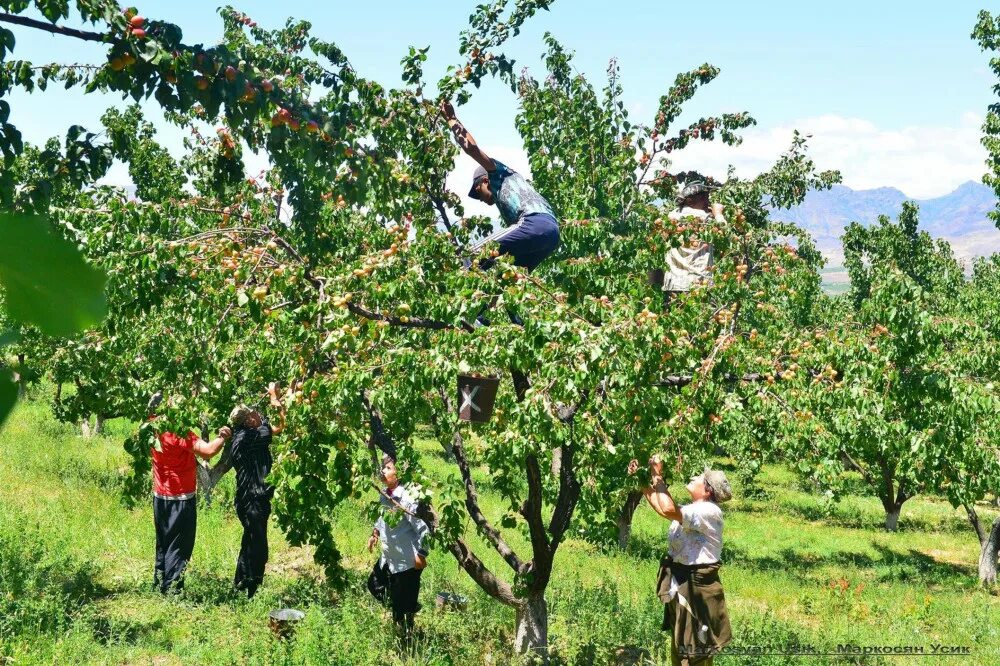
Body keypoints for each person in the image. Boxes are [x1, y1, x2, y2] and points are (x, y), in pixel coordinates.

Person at [628, 455, 733, 666]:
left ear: (707, 490)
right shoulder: (694, 509)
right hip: (683, 583)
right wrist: (642, 481)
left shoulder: (708, 511)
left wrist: (657, 474)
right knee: (681, 645)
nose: (694, 477)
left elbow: (667, 508)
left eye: (700, 477)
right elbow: (661, 507)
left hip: (697, 589)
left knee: (694, 651)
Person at [147, 393, 229, 594]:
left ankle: (159, 583)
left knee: (164, 542)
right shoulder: (179, 433)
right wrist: (223, 437)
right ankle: (172, 591)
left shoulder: (151, 428)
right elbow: (208, 451)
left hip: (160, 497)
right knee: (179, 545)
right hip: (180, 499)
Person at [228, 382, 286, 598]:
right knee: (259, 548)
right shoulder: (250, 437)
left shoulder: (241, 436)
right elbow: (281, 426)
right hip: (253, 500)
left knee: (250, 540)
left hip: (247, 500)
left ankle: (240, 585)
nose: (260, 415)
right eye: (256, 413)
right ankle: (252, 589)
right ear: (249, 420)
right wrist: (274, 398)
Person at [367, 455, 430, 640]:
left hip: (407, 563)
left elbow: (423, 529)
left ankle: (407, 637)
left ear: (399, 473)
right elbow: (381, 517)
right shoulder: (385, 494)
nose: (382, 471)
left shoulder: (406, 498)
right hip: (389, 557)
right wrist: (375, 534)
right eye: (382, 468)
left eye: (387, 468)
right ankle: (403, 606)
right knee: (374, 584)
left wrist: (422, 553)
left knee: (403, 610)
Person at [660, 174, 726, 307]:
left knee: (674, 324)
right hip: (700, 285)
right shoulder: (706, 220)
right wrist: (718, 213)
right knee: (704, 324)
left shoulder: (670, 219)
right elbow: (725, 232)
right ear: (690, 201)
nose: (708, 203)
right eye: (704, 198)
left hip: (673, 285)